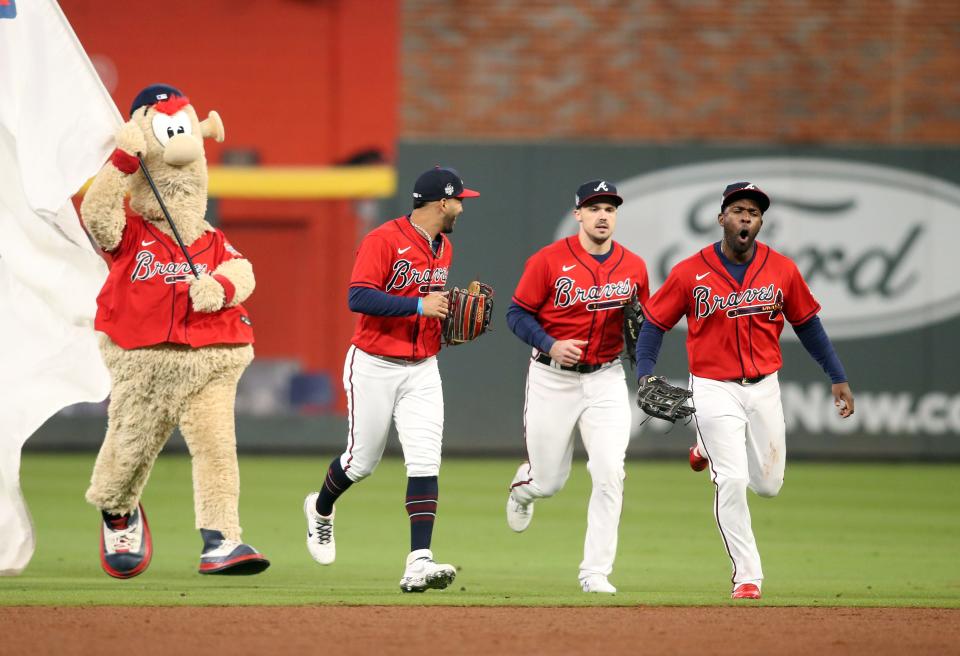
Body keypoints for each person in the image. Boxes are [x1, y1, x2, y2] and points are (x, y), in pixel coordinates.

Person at [635, 181, 855, 600]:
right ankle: (747, 576)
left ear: (760, 223)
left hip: (764, 387)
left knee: (769, 485)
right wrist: (645, 374)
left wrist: (836, 375)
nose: (745, 218)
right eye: (738, 210)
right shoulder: (690, 271)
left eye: (753, 213)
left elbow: (808, 325)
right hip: (713, 387)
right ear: (722, 219)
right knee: (732, 481)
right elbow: (654, 324)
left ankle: (703, 447)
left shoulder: (782, 270)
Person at [302, 166, 479, 592]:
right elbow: (358, 296)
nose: (461, 208)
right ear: (441, 202)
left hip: (423, 368)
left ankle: (418, 561)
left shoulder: (444, 247)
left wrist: (442, 327)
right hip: (374, 364)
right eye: (459, 201)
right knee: (361, 463)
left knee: (424, 459)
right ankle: (321, 508)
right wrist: (419, 307)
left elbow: (431, 307)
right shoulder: (383, 240)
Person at [504, 179, 650, 594]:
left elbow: (644, 327)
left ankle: (595, 572)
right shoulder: (548, 261)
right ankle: (524, 489)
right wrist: (550, 343)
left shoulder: (634, 266)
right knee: (549, 482)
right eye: (594, 207)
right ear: (578, 214)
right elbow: (517, 315)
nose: (603, 215)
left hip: (606, 377)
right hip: (552, 377)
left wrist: (646, 367)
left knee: (610, 472)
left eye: (610, 208)